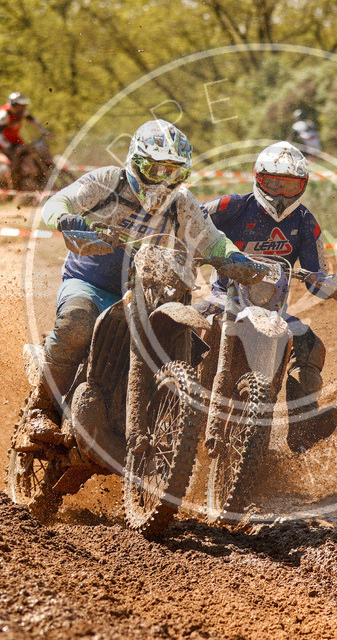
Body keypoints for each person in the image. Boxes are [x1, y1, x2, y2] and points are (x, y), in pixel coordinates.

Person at [14, 119, 267, 451]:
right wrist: (66, 220)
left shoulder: (182, 203)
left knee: (190, 342)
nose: (163, 180)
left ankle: (171, 429)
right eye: (154, 168)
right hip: (91, 284)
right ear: (135, 161)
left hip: (153, 294)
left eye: (173, 172)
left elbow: (213, 241)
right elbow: (57, 202)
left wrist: (235, 258)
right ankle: (41, 409)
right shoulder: (108, 182)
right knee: (77, 324)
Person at [199, 141, 337, 454]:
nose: (280, 193)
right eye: (274, 183)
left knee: (310, 345)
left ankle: (303, 424)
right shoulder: (232, 207)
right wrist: (188, 249)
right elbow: (190, 221)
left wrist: (327, 282)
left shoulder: (305, 222)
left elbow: (318, 278)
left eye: (290, 185)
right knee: (185, 326)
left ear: (301, 186)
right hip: (223, 299)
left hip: (272, 310)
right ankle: (162, 402)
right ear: (259, 178)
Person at [0, 92, 48, 189]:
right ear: (13, 105)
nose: (22, 108)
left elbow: (33, 120)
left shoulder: (21, 112)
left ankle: (28, 176)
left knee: (27, 153)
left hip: (14, 138)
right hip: (1, 141)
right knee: (15, 158)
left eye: (23, 106)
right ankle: (13, 180)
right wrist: (9, 147)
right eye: (20, 106)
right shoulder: (4, 115)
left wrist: (44, 131)